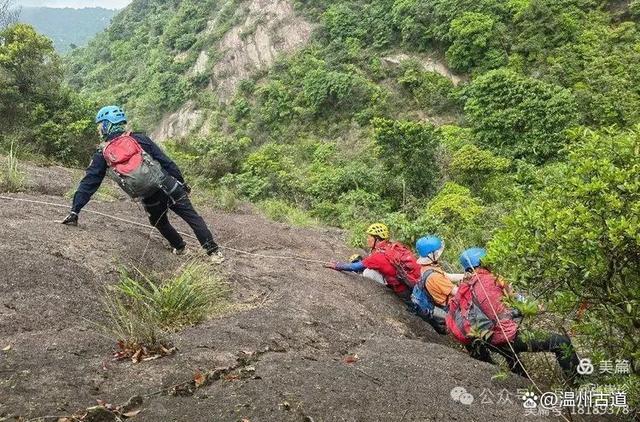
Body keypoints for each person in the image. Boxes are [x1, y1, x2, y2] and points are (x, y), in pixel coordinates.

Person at [61, 105, 224, 263]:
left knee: (159, 222)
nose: (99, 129)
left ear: (106, 125)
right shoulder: (139, 138)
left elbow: (89, 183)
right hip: (169, 185)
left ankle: (179, 246)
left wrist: (75, 210)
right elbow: (166, 162)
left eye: (100, 125)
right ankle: (213, 252)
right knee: (193, 218)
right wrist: (182, 182)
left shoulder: (102, 154)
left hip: (149, 196)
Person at [446, 248, 580, 381]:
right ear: (483, 262)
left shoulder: (467, 283)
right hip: (498, 335)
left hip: (479, 336)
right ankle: (577, 382)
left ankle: (521, 380)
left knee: (511, 355)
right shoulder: (491, 280)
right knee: (561, 342)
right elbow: (501, 314)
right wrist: (528, 310)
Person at [324, 223, 421, 302]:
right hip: (412, 284)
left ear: (377, 239)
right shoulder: (392, 246)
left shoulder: (378, 256)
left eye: (369, 237)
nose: (367, 239)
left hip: (403, 290)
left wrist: (338, 265)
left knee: (367, 272)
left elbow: (355, 267)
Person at [410, 235, 461, 334]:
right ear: (431, 254)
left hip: (436, 302)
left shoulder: (426, 268)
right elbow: (457, 292)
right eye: (437, 252)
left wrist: (466, 276)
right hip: (446, 307)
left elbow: (447, 276)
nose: (439, 254)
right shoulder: (435, 277)